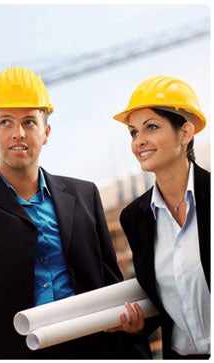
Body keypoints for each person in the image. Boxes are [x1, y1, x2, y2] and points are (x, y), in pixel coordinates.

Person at [0, 66, 152, 359]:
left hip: (89, 348)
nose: (18, 133)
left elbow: (110, 283)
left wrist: (134, 325)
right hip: (8, 350)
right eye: (5, 122)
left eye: (29, 122)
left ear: (46, 132)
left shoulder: (83, 195)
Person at [111, 75, 210, 359]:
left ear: (185, 133)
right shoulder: (135, 218)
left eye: (151, 128)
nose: (139, 142)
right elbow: (161, 297)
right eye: (133, 132)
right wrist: (137, 325)